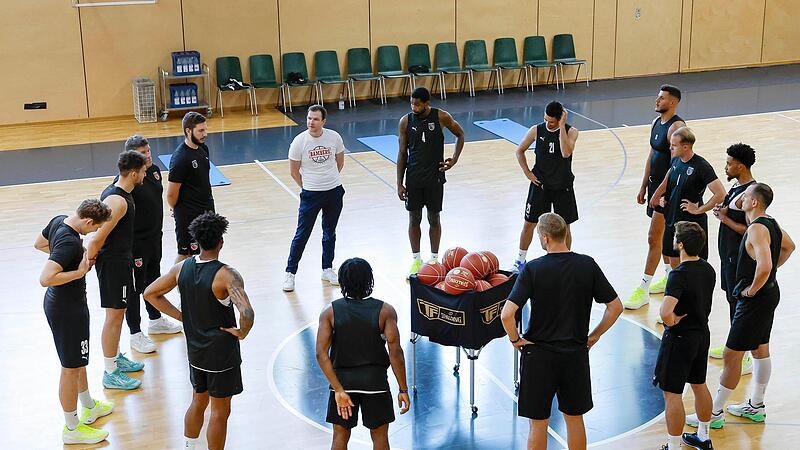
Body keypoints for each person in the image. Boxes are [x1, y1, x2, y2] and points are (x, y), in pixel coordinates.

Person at [500, 213, 623, 450]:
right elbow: (615, 307)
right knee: (575, 420)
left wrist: (515, 339)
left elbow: (507, 314)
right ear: (564, 234)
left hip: (539, 357)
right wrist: (594, 335)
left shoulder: (533, 269)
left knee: (538, 424)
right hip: (575, 355)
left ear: (545, 238)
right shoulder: (587, 264)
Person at [687, 183, 795, 429]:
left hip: (755, 298)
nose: (741, 199)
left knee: (731, 355)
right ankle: (756, 406)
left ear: (754, 202)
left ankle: (714, 413)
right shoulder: (771, 223)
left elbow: (765, 265)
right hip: (770, 293)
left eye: (745, 196)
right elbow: (789, 246)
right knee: (759, 349)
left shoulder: (757, 229)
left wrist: (752, 289)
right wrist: (767, 279)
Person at [144, 212, 255, 450]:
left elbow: (150, 293)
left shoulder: (181, 268)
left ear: (197, 241)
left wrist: (182, 318)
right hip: (221, 354)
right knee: (220, 412)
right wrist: (242, 333)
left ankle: (189, 446)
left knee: (198, 401)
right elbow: (247, 313)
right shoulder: (227, 275)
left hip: (195, 351)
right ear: (221, 242)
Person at [35, 199, 115, 445]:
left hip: (64, 305)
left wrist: (64, 260)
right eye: (95, 228)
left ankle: (89, 406)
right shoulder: (70, 242)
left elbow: (39, 244)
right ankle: (72, 428)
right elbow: (46, 278)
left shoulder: (59, 220)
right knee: (70, 368)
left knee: (78, 361)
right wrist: (78, 272)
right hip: (67, 310)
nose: (93, 233)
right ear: (88, 221)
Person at [315, 258, 411, 450]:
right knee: (380, 438)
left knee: (340, 437)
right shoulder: (385, 311)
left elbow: (320, 354)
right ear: (370, 281)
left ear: (342, 282)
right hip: (375, 383)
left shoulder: (330, 312)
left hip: (342, 383)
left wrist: (338, 389)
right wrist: (403, 389)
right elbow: (396, 354)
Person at [87, 151, 147, 390]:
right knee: (113, 318)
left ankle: (116, 357)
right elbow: (96, 238)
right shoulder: (118, 200)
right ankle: (110, 372)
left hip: (121, 262)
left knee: (119, 316)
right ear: (133, 173)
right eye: (142, 171)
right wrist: (88, 262)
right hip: (113, 265)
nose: (145, 174)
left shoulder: (119, 191)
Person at [653, 221, 716, 450]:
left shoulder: (679, 274)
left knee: (672, 394)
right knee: (699, 384)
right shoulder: (708, 269)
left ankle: (673, 445)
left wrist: (671, 322)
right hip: (702, 334)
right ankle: (703, 436)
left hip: (680, 339)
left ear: (680, 245)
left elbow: (665, 312)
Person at [119, 135, 182, 355]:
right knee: (135, 288)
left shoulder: (153, 171)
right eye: (142, 153)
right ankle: (135, 333)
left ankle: (155, 320)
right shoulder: (127, 182)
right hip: (136, 244)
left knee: (153, 280)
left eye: (148, 150)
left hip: (155, 238)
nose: (148, 155)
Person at [625, 85, 686, 309]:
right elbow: (652, 156)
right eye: (657, 96)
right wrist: (644, 187)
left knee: (654, 237)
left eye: (661, 98)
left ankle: (643, 288)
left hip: (667, 192)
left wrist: (660, 192)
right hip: (654, 188)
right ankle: (670, 276)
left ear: (673, 102)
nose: (657, 100)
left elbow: (676, 164)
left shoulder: (676, 128)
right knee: (661, 238)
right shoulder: (655, 123)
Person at [396, 87, 465, 276]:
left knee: (434, 218)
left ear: (427, 103)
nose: (413, 107)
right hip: (414, 178)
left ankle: (434, 260)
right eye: (411, 103)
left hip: (435, 177)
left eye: (417, 104)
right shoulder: (405, 121)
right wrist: (399, 183)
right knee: (414, 219)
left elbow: (460, 134)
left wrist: (454, 158)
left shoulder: (441, 117)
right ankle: (416, 260)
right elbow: (402, 154)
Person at [283, 105, 346, 292]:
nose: (311, 122)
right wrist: (310, 186)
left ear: (323, 121)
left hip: (334, 192)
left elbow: (340, 162)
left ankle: (327, 269)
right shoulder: (299, 142)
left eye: (315, 119)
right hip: (311, 194)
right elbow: (294, 172)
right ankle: (290, 273)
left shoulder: (334, 137)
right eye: (309, 118)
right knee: (302, 234)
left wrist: (328, 180)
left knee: (329, 232)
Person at [511, 101, 580, 273]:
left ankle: (565, 260)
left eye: (552, 121)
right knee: (529, 224)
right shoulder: (536, 129)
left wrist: (562, 127)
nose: (548, 123)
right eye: (546, 119)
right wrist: (527, 172)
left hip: (562, 186)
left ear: (560, 118)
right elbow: (519, 150)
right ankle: (520, 260)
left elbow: (566, 152)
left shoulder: (571, 131)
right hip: (540, 184)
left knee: (565, 226)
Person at [709, 143, 756, 371]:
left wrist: (725, 219)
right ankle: (733, 343)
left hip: (738, 258)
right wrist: (724, 211)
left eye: (729, 163)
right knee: (730, 298)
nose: (725, 167)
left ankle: (744, 354)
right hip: (727, 254)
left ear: (741, 166)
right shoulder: (737, 186)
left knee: (738, 302)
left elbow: (751, 229)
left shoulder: (750, 193)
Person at [650, 127, 726, 269]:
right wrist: (663, 197)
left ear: (685, 147)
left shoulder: (701, 166)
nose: (670, 148)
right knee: (673, 261)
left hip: (690, 225)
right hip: (672, 220)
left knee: (692, 266)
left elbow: (720, 194)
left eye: (674, 145)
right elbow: (671, 177)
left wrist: (698, 210)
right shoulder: (676, 160)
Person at [167, 112, 215, 263]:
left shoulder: (203, 149)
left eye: (205, 130)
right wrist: (176, 209)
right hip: (188, 215)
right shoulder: (180, 158)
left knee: (209, 249)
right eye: (201, 131)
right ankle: (180, 285)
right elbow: (171, 194)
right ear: (188, 131)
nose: (205, 134)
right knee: (185, 253)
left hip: (206, 210)